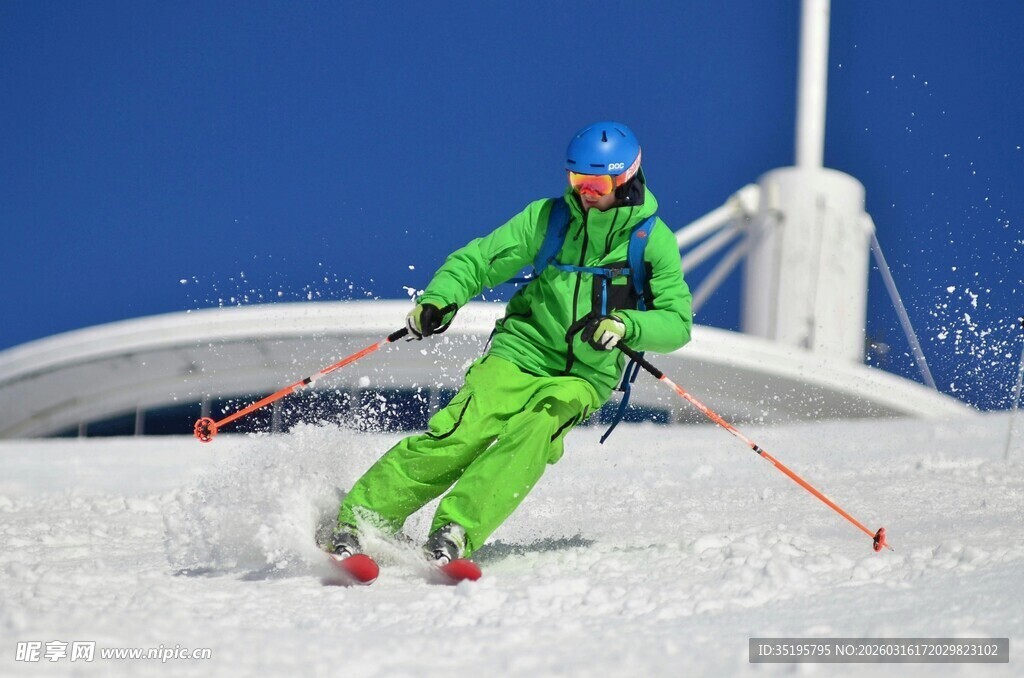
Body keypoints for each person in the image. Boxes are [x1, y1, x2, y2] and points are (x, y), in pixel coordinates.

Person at [328, 121, 693, 565]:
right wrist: (439, 300)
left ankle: (457, 528)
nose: (584, 191)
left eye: (596, 182)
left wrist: (626, 325)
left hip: (585, 374)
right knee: (465, 429)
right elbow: (479, 260)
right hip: (521, 350)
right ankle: (361, 518)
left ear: (626, 178)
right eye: (577, 179)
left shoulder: (651, 241)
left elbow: (677, 322)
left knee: (537, 428)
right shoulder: (550, 219)